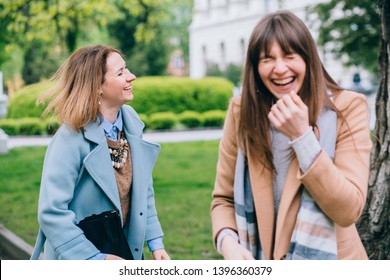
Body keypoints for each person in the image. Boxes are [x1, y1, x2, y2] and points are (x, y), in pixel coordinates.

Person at [211, 10, 372, 260]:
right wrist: (227, 240)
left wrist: (302, 136)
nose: (279, 68)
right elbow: (223, 199)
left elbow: (348, 210)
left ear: (308, 58)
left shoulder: (347, 108)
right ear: (255, 67)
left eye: (289, 55)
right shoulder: (241, 112)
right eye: (267, 59)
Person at [30, 45, 170, 260]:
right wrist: (96, 260)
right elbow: (52, 213)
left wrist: (155, 243)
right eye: (120, 73)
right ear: (97, 87)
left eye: (127, 69)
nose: (131, 77)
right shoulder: (69, 138)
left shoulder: (131, 122)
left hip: (126, 253)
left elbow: (143, 190)